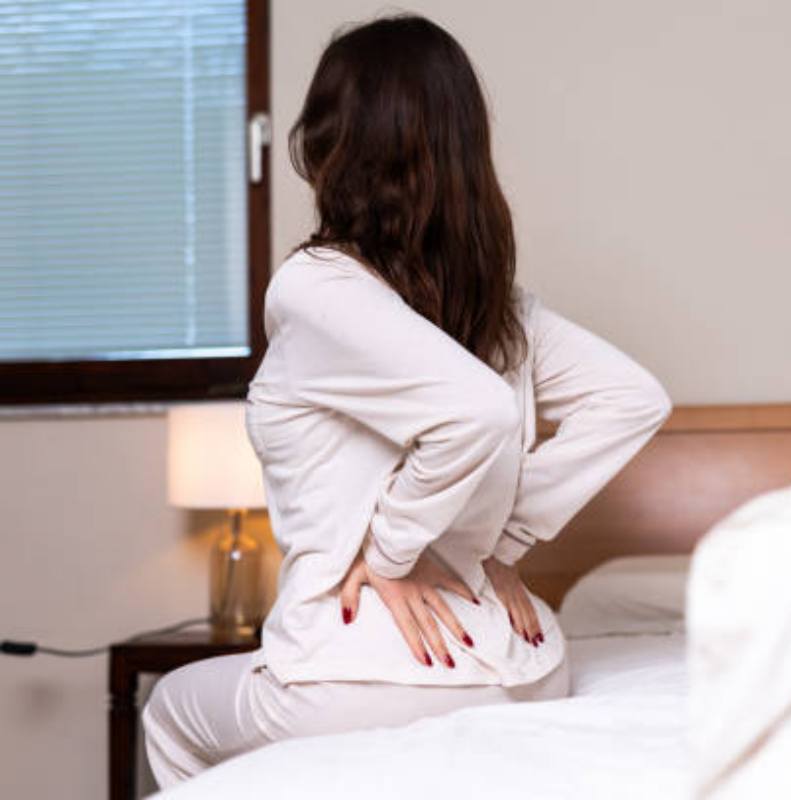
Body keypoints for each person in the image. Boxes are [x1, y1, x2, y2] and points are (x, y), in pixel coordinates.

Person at [142, 13, 672, 789]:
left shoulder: (316, 287)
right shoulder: (495, 305)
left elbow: (478, 411)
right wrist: (494, 550)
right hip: (524, 669)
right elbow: (634, 398)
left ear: (334, 144)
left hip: (360, 678)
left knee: (169, 710)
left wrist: (390, 554)